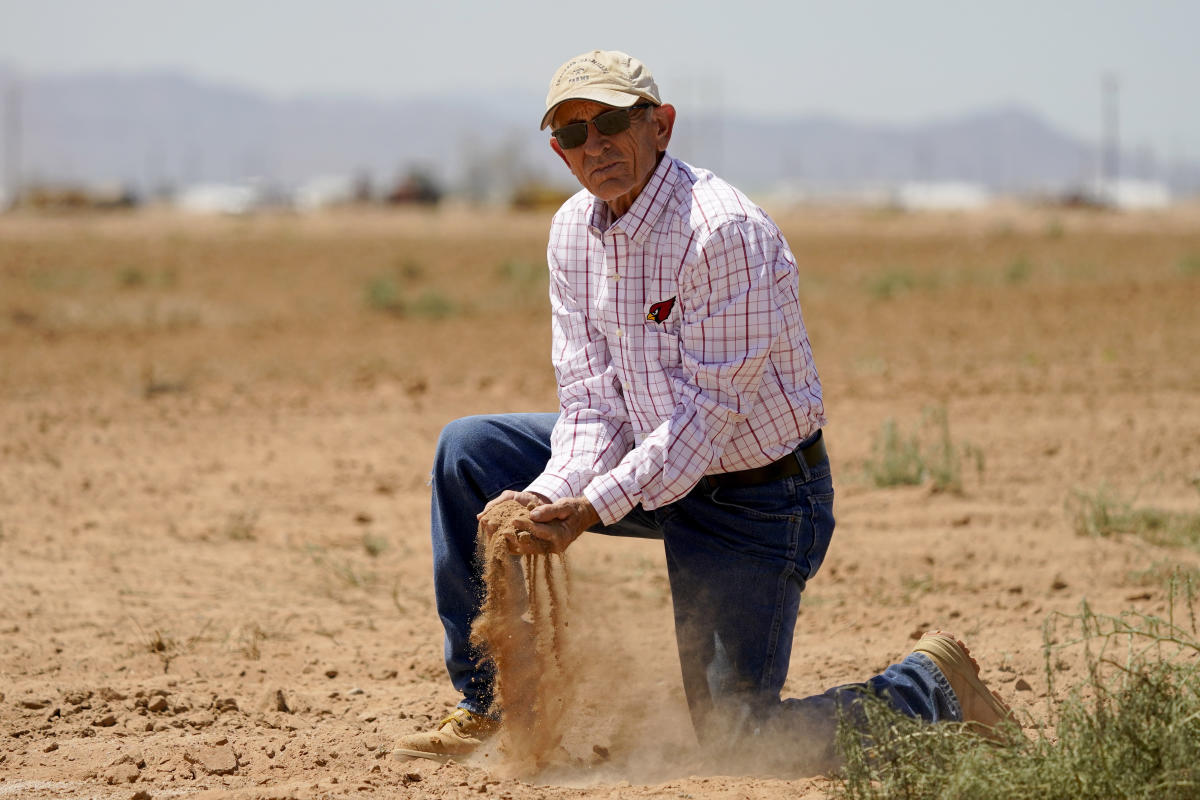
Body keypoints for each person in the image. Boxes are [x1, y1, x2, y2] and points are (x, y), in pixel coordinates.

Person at [393, 50, 1014, 771]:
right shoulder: (571, 232)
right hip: (652, 472)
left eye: (611, 123)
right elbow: (592, 403)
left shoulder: (720, 232)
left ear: (660, 125)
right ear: (558, 153)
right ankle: (491, 699)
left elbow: (702, 422)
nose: (594, 146)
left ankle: (928, 689)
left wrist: (590, 506)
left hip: (754, 501)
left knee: (738, 742)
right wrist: (549, 493)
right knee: (469, 451)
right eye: (571, 134)